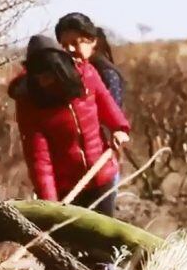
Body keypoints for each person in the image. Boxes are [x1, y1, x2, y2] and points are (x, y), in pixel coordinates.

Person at [8, 34, 130, 217]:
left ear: (60, 69)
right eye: (38, 76)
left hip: (103, 173)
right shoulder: (29, 100)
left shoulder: (86, 75)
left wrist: (119, 129)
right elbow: (39, 158)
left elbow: (106, 103)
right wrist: (50, 205)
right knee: (74, 241)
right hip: (67, 187)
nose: (43, 81)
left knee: (104, 237)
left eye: (48, 75)